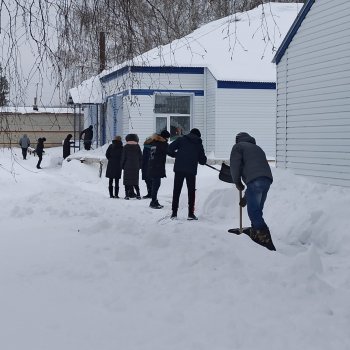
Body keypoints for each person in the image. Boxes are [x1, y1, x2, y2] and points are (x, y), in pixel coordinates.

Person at [230, 132, 275, 250]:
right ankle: (256, 234)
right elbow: (257, 172)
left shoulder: (238, 147)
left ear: (237, 140)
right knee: (257, 211)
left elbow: (235, 166)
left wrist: (237, 182)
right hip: (267, 180)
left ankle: (266, 241)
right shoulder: (257, 148)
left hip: (255, 181)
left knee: (254, 213)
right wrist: (246, 198)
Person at [167, 128, 207, 220]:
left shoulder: (181, 140)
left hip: (179, 169)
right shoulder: (198, 143)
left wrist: (176, 155)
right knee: (191, 192)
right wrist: (198, 157)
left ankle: (174, 213)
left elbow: (169, 149)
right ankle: (190, 214)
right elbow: (203, 161)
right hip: (191, 170)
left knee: (176, 191)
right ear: (198, 136)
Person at [147, 130, 170, 209]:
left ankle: (154, 200)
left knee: (155, 184)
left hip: (152, 166)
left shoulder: (154, 143)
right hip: (157, 166)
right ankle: (153, 201)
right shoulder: (163, 144)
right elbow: (170, 152)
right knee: (156, 184)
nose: (167, 140)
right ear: (165, 137)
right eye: (167, 138)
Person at [121, 133, 142, 200]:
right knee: (135, 181)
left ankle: (127, 195)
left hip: (127, 166)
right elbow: (140, 157)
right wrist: (139, 166)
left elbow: (123, 157)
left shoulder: (125, 147)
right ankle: (138, 194)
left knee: (127, 181)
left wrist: (122, 166)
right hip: (136, 166)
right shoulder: (138, 147)